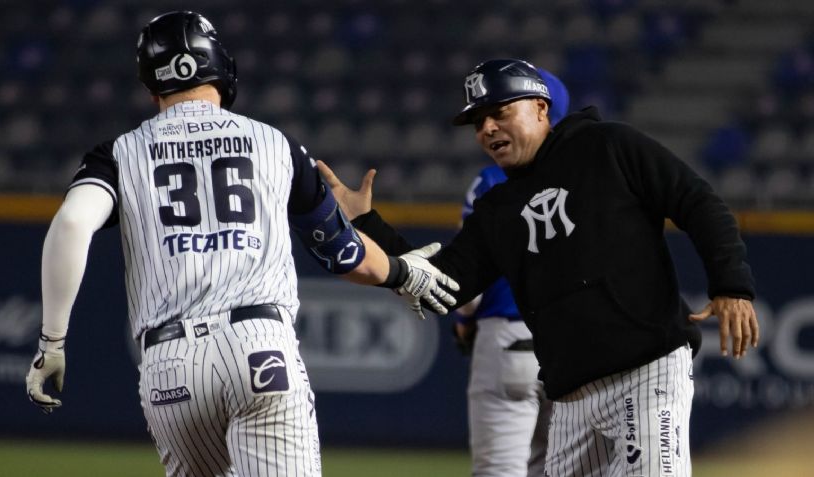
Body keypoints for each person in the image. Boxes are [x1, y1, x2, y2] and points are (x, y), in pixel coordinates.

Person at [23, 11, 457, 477]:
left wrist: (53, 341)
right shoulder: (274, 143)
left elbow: (70, 224)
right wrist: (404, 272)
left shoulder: (118, 153)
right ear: (220, 66)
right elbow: (343, 253)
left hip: (169, 364)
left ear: (152, 86)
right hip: (259, 347)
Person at [318, 58, 759, 477]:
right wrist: (365, 223)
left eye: (500, 112)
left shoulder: (608, 146)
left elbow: (697, 202)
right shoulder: (497, 209)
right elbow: (446, 284)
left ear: (540, 108)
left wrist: (732, 284)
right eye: (478, 122)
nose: (487, 128)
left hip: (646, 372)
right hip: (570, 396)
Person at [452, 68, 569, 477]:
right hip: (570, 341)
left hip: (506, 335)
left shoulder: (490, 182)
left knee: (499, 471)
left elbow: (468, 281)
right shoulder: (583, 177)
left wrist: (464, 321)